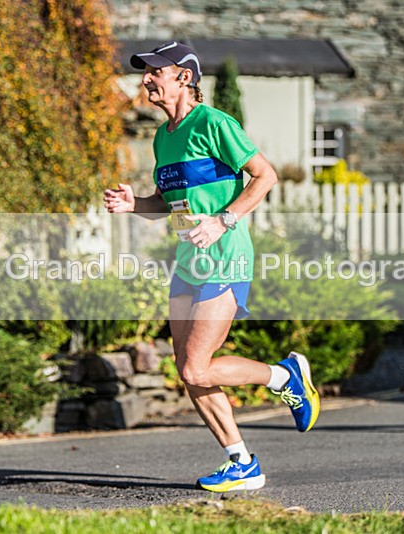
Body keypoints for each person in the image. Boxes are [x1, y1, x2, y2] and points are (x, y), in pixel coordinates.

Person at [104, 41, 320, 490]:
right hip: (188, 262)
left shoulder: (215, 123)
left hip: (226, 255)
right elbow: (169, 204)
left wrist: (224, 221)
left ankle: (285, 376)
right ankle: (241, 462)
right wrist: (135, 204)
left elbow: (266, 175)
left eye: (155, 72)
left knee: (196, 368)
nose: (146, 79)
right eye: (145, 72)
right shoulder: (164, 136)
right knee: (188, 369)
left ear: (184, 77)